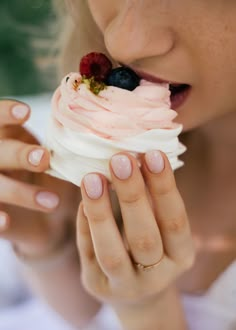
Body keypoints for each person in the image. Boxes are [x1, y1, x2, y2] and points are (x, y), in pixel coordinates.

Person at [1, 0, 236, 329]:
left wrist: (147, 311)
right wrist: (51, 242)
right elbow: (86, 317)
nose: (122, 42)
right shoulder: (113, 145)